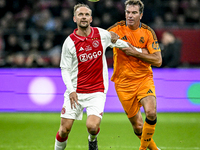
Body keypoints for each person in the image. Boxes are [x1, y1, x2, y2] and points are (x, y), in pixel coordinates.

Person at [54, 3, 137, 150]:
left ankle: (92, 140)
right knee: (64, 130)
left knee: (92, 127)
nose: (84, 17)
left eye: (86, 14)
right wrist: (71, 90)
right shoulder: (69, 42)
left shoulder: (102, 34)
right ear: (74, 18)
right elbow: (65, 69)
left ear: (91, 18)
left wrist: (140, 51)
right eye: (80, 14)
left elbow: (120, 43)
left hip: (96, 91)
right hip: (76, 92)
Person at [108, 0, 162, 150]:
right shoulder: (116, 29)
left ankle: (142, 149)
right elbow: (96, 40)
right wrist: (106, 37)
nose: (130, 16)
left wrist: (135, 52)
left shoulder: (148, 32)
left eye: (134, 12)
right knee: (138, 127)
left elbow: (158, 60)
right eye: (128, 12)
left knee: (151, 112)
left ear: (141, 15)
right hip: (123, 83)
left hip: (144, 79)